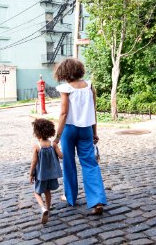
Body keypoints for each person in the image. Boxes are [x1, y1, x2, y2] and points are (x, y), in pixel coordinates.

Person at [53, 58, 107, 215]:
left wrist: (57, 137)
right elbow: (93, 110)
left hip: (69, 130)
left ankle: (70, 197)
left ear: (64, 72)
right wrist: (94, 132)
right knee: (90, 164)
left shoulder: (65, 88)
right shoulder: (89, 86)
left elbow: (63, 113)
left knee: (69, 163)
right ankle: (97, 200)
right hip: (86, 130)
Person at [29, 118, 63, 224]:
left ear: (37, 133)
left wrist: (31, 174)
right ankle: (48, 208)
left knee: (37, 192)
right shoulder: (53, 144)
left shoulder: (37, 147)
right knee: (47, 192)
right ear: (50, 132)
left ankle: (43, 208)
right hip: (51, 175)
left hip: (40, 175)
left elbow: (34, 161)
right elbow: (61, 156)